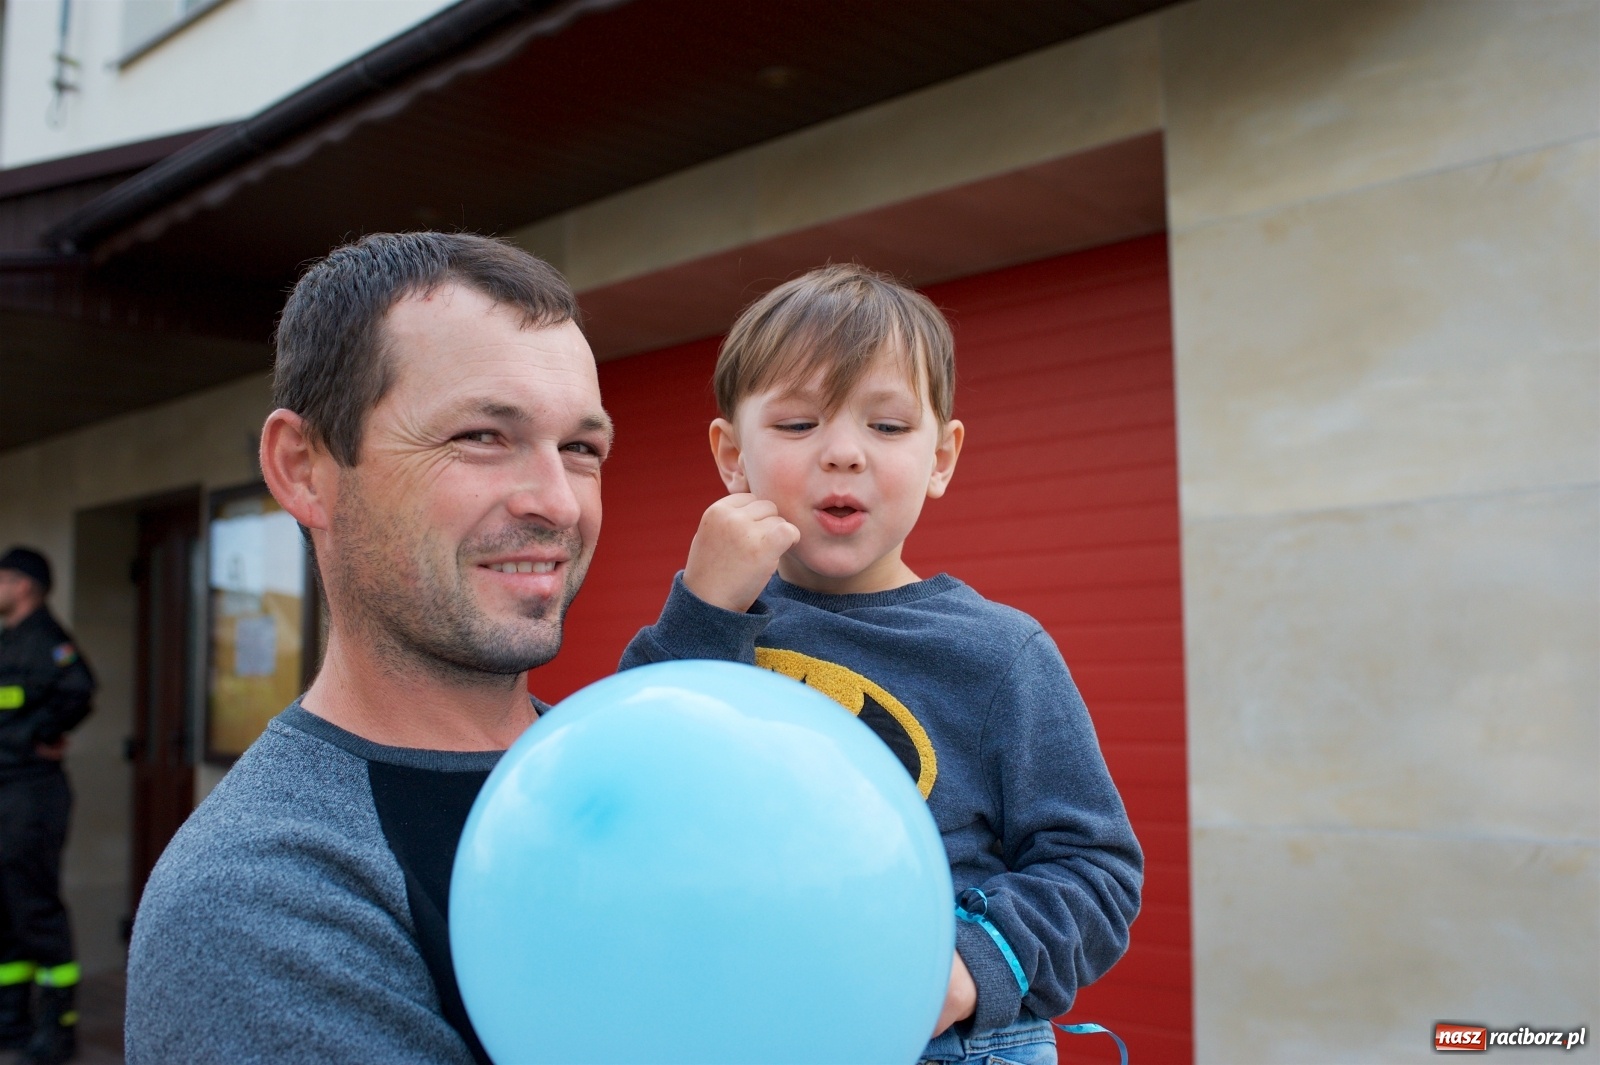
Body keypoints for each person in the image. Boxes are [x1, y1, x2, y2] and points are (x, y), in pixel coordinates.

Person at [620, 264, 1143, 1065]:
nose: (842, 454)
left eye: (888, 427)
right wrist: (704, 608)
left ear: (942, 456)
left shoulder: (1000, 654)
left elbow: (1097, 869)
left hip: (948, 1043)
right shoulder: (709, 624)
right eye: (797, 424)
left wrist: (968, 965)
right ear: (731, 455)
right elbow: (621, 798)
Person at [124, 233, 612, 1063]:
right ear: (304, 467)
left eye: (581, 447)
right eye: (482, 435)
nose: (558, 501)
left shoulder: (623, 769)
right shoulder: (262, 894)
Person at [0, 546, 95, 1065]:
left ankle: (57, 1031)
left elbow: (80, 690)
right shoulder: (9, 640)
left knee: (35, 909)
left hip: (32, 794)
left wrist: (44, 734)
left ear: (25, 586)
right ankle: (10, 1022)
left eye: (3, 579)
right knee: (6, 909)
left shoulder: (49, 642)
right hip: (5, 788)